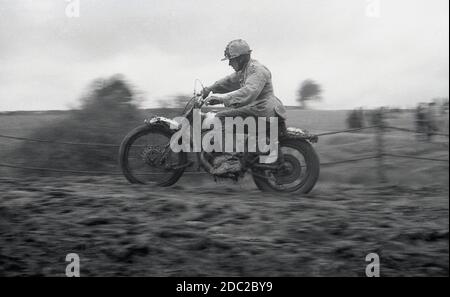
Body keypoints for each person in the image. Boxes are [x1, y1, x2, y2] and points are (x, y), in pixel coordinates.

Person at [202, 39, 287, 175]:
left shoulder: (257, 70)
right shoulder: (246, 70)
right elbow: (229, 81)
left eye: (232, 59)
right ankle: (240, 154)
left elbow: (249, 92)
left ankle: (231, 160)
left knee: (220, 118)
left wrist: (221, 99)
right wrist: (209, 89)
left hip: (262, 112)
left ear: (241, 58)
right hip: (261, 110)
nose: (229, 63)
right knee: (229, 116)